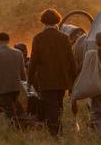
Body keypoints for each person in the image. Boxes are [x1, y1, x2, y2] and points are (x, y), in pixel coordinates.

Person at [28, 9, 78, 137]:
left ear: (43, 21)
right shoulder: (64, 38)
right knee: (58, 105)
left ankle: (56, 135)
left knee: (51, 108)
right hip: (62, 80)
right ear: (57, 20)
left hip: (46, 81)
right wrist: (74, 79)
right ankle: (58, 133)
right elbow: (71, 61)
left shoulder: (38, 39)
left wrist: (29, 81)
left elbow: (33, 62)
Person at [0, 32, 26, 120]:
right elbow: (23, 72)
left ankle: (14, 126)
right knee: (19, 110)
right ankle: (23, 124)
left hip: (2, 88)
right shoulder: (18, 53)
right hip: (17, 87)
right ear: (8, 41)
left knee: (9, 112)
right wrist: (25, 87)